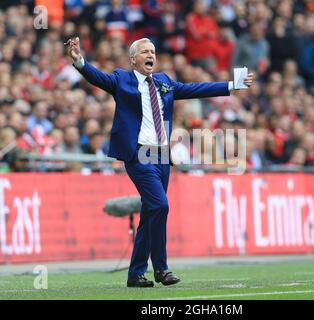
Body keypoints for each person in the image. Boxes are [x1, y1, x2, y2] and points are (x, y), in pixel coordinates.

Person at [65, 37, 253, 288]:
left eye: (152, 50)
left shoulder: (164, 82)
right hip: (139, 155)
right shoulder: (122, 79)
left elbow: (195, 89)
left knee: (150, 212)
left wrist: (233, 84)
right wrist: (79, 61)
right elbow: (98, 78)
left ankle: (135, 274)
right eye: (144, 51)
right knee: (161, 205)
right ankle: (161, 268)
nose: (150, 54)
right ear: (134, 59)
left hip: (161, 157)